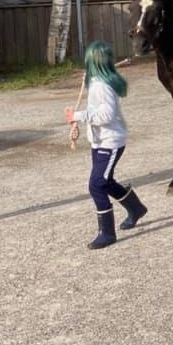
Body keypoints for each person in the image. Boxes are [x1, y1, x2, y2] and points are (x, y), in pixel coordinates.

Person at [66, 40, 147, 250]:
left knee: (96, 185)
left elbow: (107, 115)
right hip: (101, 141)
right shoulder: (97, 82)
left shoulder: (101, 86)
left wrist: (78, 115)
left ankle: (107, 233)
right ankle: (135, 208)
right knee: (106, 181)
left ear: (93, 62)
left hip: (110, 142)